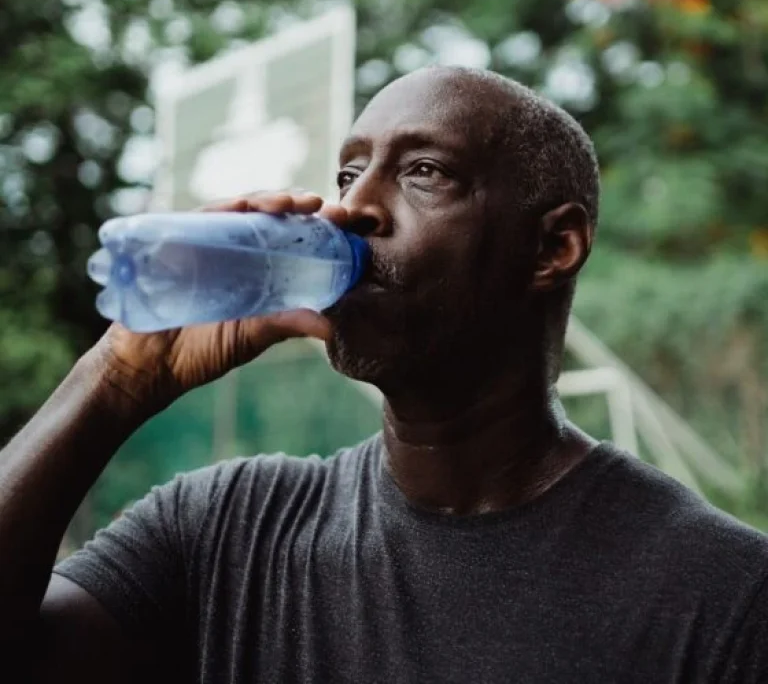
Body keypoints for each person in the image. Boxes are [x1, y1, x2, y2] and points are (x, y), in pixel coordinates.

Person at [1, 66, 766, 684]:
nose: (352, 207)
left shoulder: (720, 593)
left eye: (424, 171)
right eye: (348, 173)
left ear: (553, 247)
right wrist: (114, 380)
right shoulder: (223, 529)